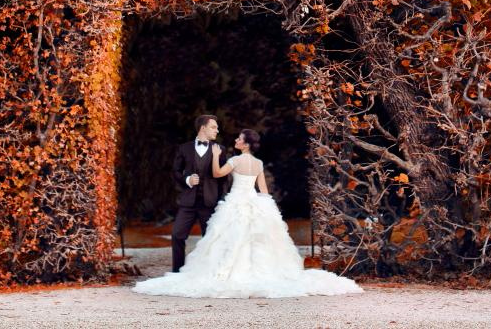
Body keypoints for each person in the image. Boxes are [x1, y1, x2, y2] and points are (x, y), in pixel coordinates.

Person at [133, 128, 363, 299]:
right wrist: (266, 208)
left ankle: (229, 273)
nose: (235, 141)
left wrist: (214, 154)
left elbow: (217, 172)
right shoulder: (258, 163)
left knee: (228, 239)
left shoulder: (234, 159)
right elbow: (262, 189)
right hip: (254, 201)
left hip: (235, 202)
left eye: (238, 139)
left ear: (244, 144)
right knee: (258, 241)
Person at [167, 114, 226, 273]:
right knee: (177, 235)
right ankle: (177, 273)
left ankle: (209, 273)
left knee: (210, 240)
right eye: (213, 127)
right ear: (202, 128)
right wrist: (187, 180)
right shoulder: (184, 148)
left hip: (210, 203)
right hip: (188, 203)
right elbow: (175, 171)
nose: (217, 130)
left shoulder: (220, 150)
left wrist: (221, 200)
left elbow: (223, 179)